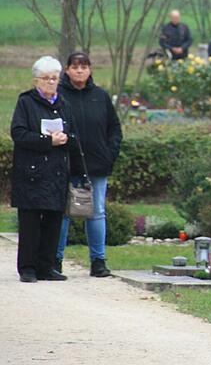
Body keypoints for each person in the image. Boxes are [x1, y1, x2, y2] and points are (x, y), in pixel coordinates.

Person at [55, 52, 122, 277]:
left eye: (84, 66)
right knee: (62, 213)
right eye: (75, 66)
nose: (80, 70)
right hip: (66, 163)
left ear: (90, 69)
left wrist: (109, 155)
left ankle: (98, 261)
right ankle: (56, 260)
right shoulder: (59, 96)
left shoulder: (100, 96)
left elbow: (114, 129)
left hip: (96, 165)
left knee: (97, 213)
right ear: (67, 70)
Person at [12, 56, 75, 283]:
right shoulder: (26, 103)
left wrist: (66, 138)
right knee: (30, 222)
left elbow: (73, 133)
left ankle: (46, 266)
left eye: (54, 78)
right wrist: (47, 141)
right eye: (46, 79)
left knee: (52, 221)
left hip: (56, 171)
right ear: (36, 80)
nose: (51, 83)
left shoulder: (63, 104)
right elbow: (18, 134)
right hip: (31, 172)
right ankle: (27, 268)